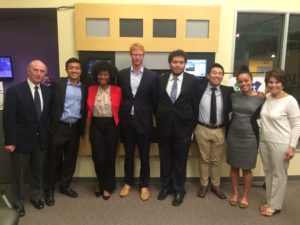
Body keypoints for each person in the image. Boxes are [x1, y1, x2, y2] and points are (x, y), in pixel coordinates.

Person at [3, 60, 52, 217]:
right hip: (21, 140)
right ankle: (18, 202)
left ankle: (36, 197)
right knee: (19, 174)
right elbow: (8, 118)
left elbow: (47, 117)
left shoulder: (48, 91)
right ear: (28, 71)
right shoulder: (14, 90)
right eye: (35, 70)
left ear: (45, 74)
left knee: (38, 171)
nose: (38, 73)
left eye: (42, 71)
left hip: (41, 140)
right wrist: (10, 141)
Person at [156, 50, 198, 206]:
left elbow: (195, 104)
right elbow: (156, 102)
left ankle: (179, 190)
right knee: (165, 159)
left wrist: (191, 126)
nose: (178, 65)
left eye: (181, 62)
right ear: (170, 63)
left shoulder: (192, 81)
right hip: (163, 127)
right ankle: (165, 187)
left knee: (180, 161)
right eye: (175, 62)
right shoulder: (160, 80)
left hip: (184, 129)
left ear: (185, 64)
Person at [117, 43, 158, 201]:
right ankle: (128, 183)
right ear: (130, 55)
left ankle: (144, 185)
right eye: (134, 54)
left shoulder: (152, 76)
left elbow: (154, 100)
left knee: (144, 156)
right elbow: (118, 97)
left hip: (144, 121)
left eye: (140, 54)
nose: (137, 57)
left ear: (143, 56)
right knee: (128, 155)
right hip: (126, 120)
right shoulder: (120, 75)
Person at [44, 58, 86, 206]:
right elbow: (48, 106)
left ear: (81, 71)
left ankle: (64, 186)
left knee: (70, 160)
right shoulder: (57, 85)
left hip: (75, 128)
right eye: (71, 68)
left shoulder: (84, 88)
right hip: (59, 128)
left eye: (77, 68)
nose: (74, 70)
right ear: (66, 69)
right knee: (53, 161)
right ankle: (48, 189)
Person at [259, 69, 300, 216]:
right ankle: (271, 201)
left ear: (283, 84)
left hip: (281, 142)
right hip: (264, 140)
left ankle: (275, 205)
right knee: (269, 172)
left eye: (277, 82)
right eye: (270, 82)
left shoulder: (290, 101)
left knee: (279, 174)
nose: (273, 85)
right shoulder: (268, 97)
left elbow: (297, 125)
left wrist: (292, 147)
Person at [195, 63, 234, 199]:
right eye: (214, 73)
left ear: (223, 76)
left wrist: (259, 94)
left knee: (217, 160)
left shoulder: (228, 91)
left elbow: (243, 96)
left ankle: (216, 185)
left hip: (220, 130)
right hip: (202, 128)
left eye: (220, 73)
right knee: (203, 159)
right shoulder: (199, 88)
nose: (217, 75)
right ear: (208, 75)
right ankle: (204, 184)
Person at [226, 68, 264, 208]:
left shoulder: (260, 98)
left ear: (252, 80)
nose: (243, 83)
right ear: (237, 83)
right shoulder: (233, 96)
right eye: (240, 81)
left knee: (247, 169)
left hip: (250, 137)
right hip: (234, 134)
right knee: (234, 166)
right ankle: (235, 193)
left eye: (246, 80)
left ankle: (245, 196)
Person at [86, 61, 122, 200]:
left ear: (110, 75)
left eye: (105, 74)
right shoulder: (90, 89)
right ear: (96, 75)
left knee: (110, 158)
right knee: (98, 158)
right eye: (100, 74)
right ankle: (100, 183)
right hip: (95, 125)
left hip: (111, 125)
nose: (103, 76)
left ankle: (108, 186)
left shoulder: (117, 90)